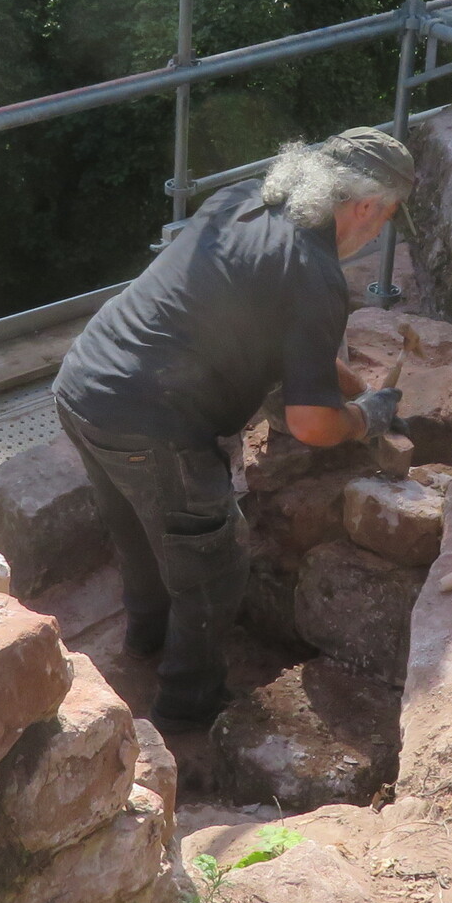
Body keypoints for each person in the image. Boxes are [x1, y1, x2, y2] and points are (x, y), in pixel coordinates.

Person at [52, 126, 414, 725]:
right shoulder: (315, 272)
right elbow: (311, 425)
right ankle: (186, 708)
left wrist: (352, 385)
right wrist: (363, 419)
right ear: (367, 206)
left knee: (140, 528)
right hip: (152, 421)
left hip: (85, 383)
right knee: (213, 563)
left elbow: (283, 328)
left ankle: (145, 639)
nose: (378, 234)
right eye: (386, 219)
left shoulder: (244, 200)